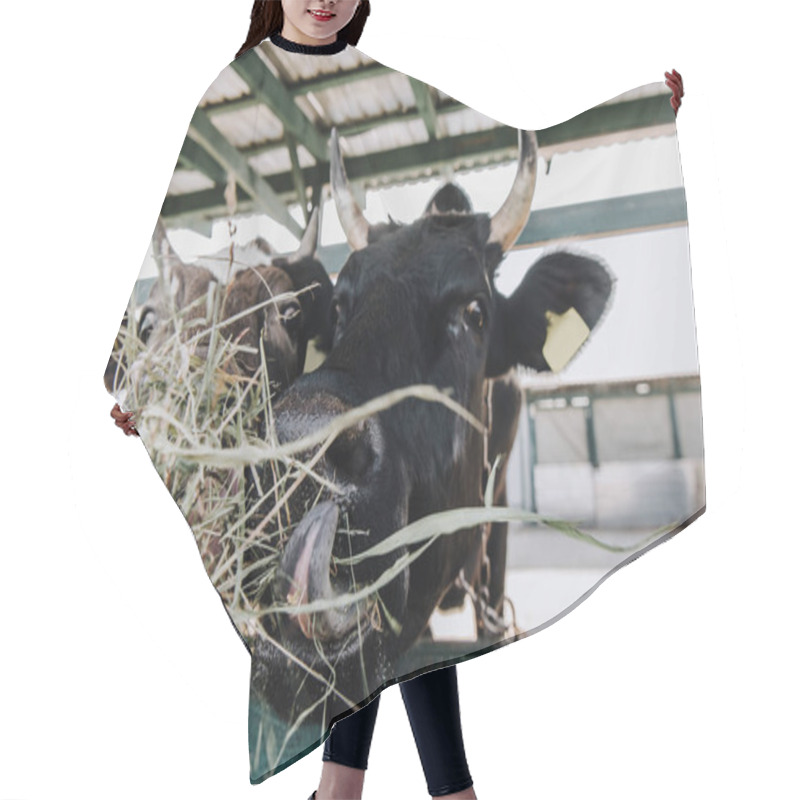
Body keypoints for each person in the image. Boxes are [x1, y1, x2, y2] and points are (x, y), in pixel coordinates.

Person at [108, 3, 685, 798]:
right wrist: (144, 379)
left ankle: (359, 787)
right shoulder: (234, 80)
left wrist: (641, 117)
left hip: (397, 468)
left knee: (386, 583)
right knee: (366, 583)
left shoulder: (385, 76)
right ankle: (404, 788)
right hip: (332, 457)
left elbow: (546, 141)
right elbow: (166, 228)